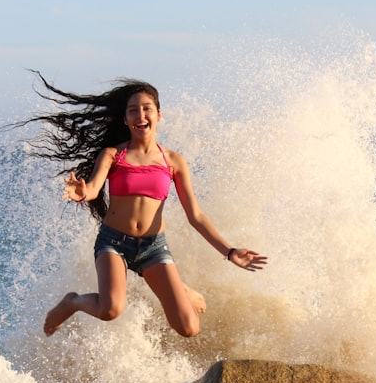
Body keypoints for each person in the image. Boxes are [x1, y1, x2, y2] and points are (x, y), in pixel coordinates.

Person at [22, 72, 267, 337]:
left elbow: (195, 215)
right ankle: (72, 301)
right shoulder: (113, 154)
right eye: (133, 111)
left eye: (147, 109)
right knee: (111, 309)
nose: (141, 116)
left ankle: (180, 288)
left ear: (159, 115)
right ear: (126, 120)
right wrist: (83, 193)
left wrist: (230, 252)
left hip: (153, 247)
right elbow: (93, 189)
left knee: (189, 328)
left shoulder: (173, 161)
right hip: (113, 243)